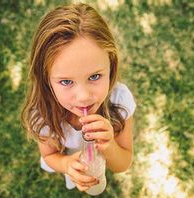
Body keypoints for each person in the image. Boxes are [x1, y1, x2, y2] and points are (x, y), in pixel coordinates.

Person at [21, 3, 136, 192]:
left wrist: (109, 146)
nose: (83, 97)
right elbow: (50, 156)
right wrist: (66, 164)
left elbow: (123, 163)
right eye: (66, 82)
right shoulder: (43, 113)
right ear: (46, 79)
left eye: (94, 76)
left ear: (111, 65)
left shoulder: (119, 101)